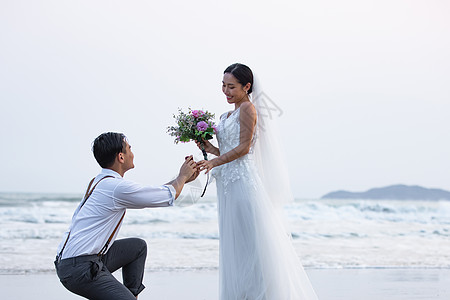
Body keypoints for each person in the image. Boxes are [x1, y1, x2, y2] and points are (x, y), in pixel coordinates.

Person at [197, 63, 318, 299]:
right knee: (235, 244)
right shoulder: (226, 115)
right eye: (223, 85)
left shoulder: (248, 110)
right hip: (227, 185)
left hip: (243, 182)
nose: (226, 91)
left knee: (251, 244)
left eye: (231, 86)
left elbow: (243, 148)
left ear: (247, 86)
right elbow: (227, 148)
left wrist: (214, 163)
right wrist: (209, 149)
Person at [54, 132, 199, 300]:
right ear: (121, 157)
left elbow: (153, 194)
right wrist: (182, 176)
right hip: (80, 269)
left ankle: (129, 295)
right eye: (129, 148)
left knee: (137, 247)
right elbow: (167, 195)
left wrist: (183, 180)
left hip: (76, 262)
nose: (132, 152)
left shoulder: (101, 181)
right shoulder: (115, 187)